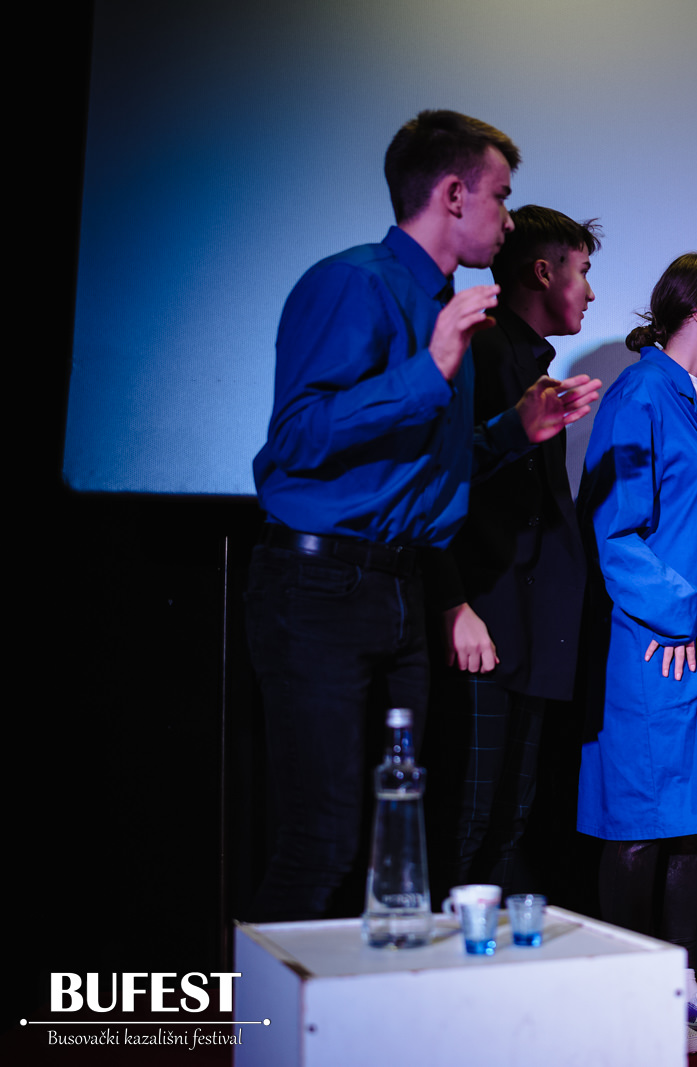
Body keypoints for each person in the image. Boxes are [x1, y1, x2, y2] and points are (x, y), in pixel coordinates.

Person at [245, 110, 602, 922]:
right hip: (320, 584)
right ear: (452, 194)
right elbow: (294, 440)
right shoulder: (354, 283)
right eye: (500, 196)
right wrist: (430, 366)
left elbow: (434, 470)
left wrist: (516, 431)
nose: (507, 219)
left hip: (401, 590)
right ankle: (253, 1009)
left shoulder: (453, 309)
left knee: (396, 842)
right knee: (322, 842)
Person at [577, 254, 697, 1053]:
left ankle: (679, 988)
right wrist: (673, 614)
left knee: (693, 816)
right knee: (641, 817)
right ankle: (631, 997)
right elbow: (614, 526)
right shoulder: (642, 393)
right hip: (655, 636)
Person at [432, 205, 601, 888]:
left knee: (508, 820)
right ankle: (433, 956)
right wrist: (453, 603)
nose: (590, 291)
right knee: (468, 820)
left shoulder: (532, 362)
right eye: (582, 271)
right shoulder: (482, 352)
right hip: (484, 621)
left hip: (528, 629)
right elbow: (436, 484)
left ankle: (486, 956)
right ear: (543, 272)